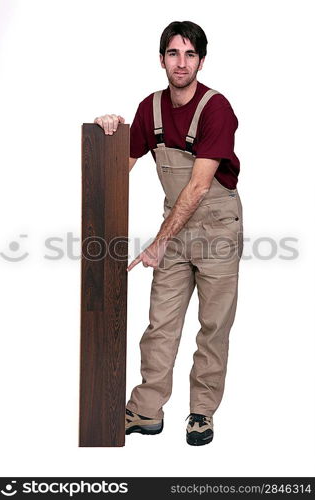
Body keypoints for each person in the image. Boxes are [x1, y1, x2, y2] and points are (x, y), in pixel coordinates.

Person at [94, 20, 243, 446]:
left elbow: (198, 187)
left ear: (201, 60)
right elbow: (119, 168)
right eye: (174, 53)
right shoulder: (150, 109)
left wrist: (160, 241)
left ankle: (201, 414)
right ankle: (146, 411)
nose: (181, 62)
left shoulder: (216, 109)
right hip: (175, 226)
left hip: (217, 228)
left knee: (213, 325)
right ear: (161, 59)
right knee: (161, 323)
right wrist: (108, 133)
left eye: (190, 54)